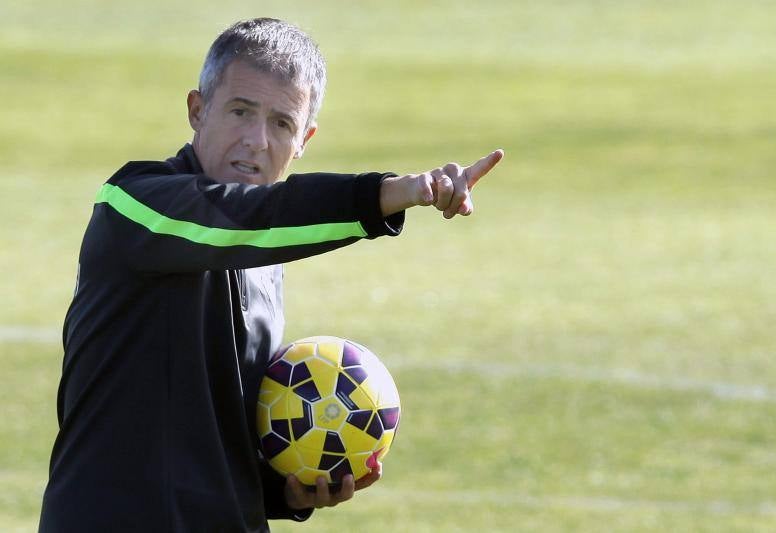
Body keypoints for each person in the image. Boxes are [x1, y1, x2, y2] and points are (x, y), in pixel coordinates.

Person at [38, 17, 503, 533]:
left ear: (304, 139)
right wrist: (397, 193)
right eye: (241, 112)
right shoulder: (134, 206)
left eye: (281, 123)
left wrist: (288, 487)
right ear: (197, 110)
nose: (257, 140)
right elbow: (255, 219)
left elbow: (214, 436)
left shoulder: (265, 257)